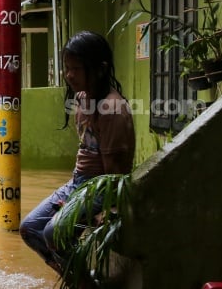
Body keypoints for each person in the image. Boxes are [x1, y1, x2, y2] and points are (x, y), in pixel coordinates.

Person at [19, 31, 135, 284]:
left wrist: (109, 208)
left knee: (53, 232)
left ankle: (84, 282)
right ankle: (81, 280)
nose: (69, 75)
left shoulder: (112, 109)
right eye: (67, 68)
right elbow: (85, 153)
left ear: (100, 69)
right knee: (30, 229)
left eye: (77, 69)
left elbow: (116, 174)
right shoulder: (82, 99)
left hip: (100, 188)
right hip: (78, 183)